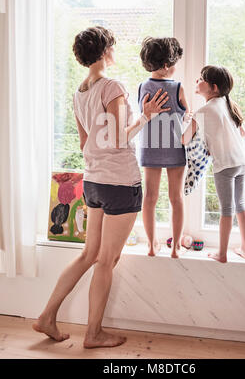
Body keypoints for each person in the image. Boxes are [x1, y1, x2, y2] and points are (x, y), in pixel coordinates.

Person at [33, 26, 170, 348]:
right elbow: (120, 137)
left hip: (93, 181)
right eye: (113, 46)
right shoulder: (112, 87)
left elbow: (85, 143)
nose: (115, 50)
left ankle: (46, 317)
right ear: (105, 51)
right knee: (106, 261)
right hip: (120, 182)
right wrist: (146, 116)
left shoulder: (80, 92)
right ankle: (93, 334)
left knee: (89, 255)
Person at [181, 65, 245, 263]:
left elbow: (184, 140)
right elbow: (242, 133)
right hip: (241, 161)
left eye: (201, 78)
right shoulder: (229, 104)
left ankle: (222, 254)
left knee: (226, 210)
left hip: (225, 165)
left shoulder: (203, 111)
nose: (197, 81)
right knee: (240, 205)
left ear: (214, 87)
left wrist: (188, 119)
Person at [138, 37, 191, 258]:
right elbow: (187, 115)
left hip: (150, 147)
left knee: (149, 197)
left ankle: (151, 245)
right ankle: (176, 247)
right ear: (167, 66)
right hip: (173, 147)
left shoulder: (142, 86)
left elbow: (143, 114)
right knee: (176, 197)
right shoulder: (178, 87)